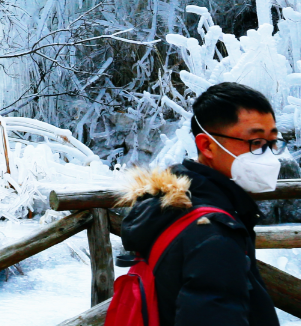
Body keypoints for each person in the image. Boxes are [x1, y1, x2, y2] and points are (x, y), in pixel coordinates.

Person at [120, 82, 282, 326]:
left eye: (273, 142)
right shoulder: (212, 232)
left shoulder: (174, 205)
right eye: (256, 143)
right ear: (207, 146)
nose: (269, 155)